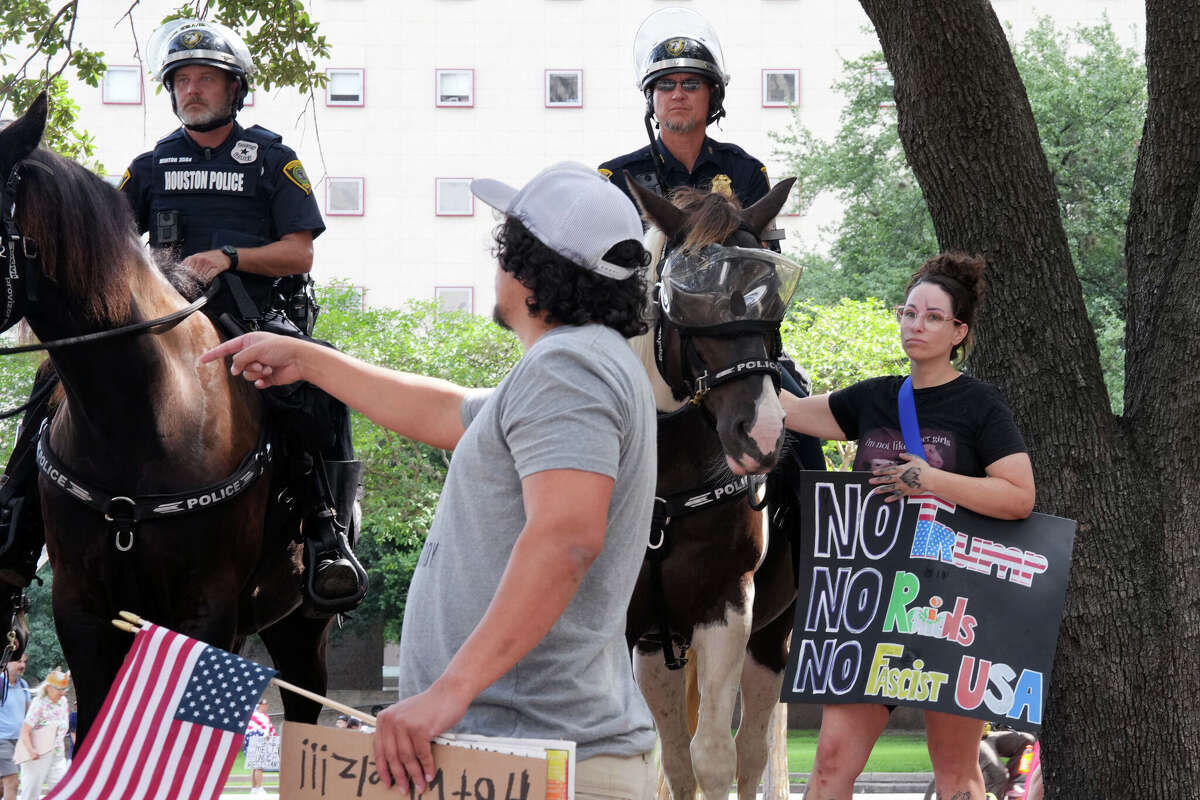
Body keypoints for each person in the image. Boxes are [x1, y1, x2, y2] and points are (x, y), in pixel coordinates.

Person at [200, 162, 658, 800]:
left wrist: (447, 695)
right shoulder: (578, 364)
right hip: (517, 753)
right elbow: (452, 414)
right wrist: (308, 360)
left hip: (531, 759)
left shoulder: (568, 369)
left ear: (528, 269)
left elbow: (566, 539)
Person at [114, 19, 364, 611]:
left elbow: (299, 250)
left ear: (235, 90)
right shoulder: (148, 167)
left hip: (254, 317)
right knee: (59, 383)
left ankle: (328, 533)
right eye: (182, 81)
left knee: (321, 384)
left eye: (206, 79)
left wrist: (228, 257)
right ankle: (15, 529)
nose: (192, 90)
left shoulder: (272, 160)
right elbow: (114, 245)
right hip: (163, 323)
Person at [779, 251, 1036, 800]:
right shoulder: (872, 397)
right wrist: (733, 354)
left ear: (959, 330)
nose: (915, 326)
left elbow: (1019, 498)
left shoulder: (980, 405)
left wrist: (932, 481)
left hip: (950, 612)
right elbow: (786, 411)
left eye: (932, 317)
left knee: (957, 775)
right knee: (827, 769)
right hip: (867, 608)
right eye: (908, 312)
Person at [598, 7, 771, 209]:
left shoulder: (745, 172)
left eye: (691, 84)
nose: (677, 94)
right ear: (650, 98)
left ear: (712, 96)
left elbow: (766, 241)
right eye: (665, 85)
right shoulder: (616, 181)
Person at [17, 669, 69, 800]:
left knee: (63, 791)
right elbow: (25, 731)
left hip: (57, 755)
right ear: (49, 687)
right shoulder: (39, 703)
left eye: (64, 689)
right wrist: (31, 751)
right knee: (30, 795)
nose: (62, 692)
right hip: (37, 756)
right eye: (59, 689)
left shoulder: (63, 702)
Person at [0, 656, 28, 800]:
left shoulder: (23, 685)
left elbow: (27, 714)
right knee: (12, 782)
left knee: (2, 785)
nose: (22, 665)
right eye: (19, 661)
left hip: (18, 742)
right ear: (7, 663)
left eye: (25, 662)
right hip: (2, 740)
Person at [244, 697, 275, 796]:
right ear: (259, 705)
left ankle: (254, 789)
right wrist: (262, 734)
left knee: (255, 767)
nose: (265, 706)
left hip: (262, 741)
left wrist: (270, 736)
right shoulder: (254, 715)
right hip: (255, 741)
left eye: (266, 704)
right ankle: (258, 788)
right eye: (263, 704)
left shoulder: (265, 716)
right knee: (258, 767)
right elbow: (250, 729)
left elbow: (268, 728)